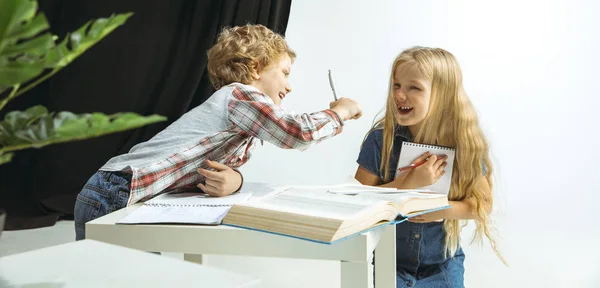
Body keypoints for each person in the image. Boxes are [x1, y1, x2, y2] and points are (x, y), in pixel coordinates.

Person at [74, 24, 362, 240]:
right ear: (255, 68)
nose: (289, 86)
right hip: (116, 192)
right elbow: (296, 133)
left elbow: (216, 167)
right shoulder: (241, 96)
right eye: (285, 73)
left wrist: (235, 181)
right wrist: (341, 112)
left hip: (124, 194)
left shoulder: (239, 113)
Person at [355, 46, 500, 288]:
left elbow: (481, 205)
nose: (401, 95)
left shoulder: (465, 143)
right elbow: (356, 203)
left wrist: (441, 210)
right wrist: (407, 183)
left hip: (443, 266)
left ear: (442, 96)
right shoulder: (381, 141)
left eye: (414, 88)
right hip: (390, 265)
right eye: (397, 85)